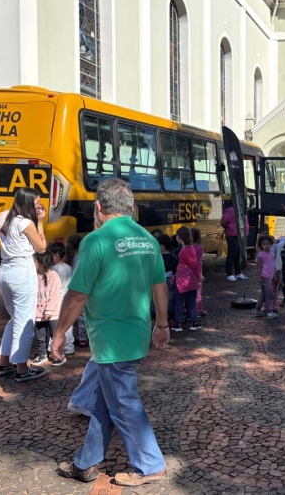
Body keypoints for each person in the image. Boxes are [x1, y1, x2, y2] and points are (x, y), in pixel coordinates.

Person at [52, 178, 170, 487]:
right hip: (135, 334)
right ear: (131, 207)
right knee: (107, 400)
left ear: (98, 207)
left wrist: (59, 333)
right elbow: (160, 285)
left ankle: (150, 465)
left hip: (110, 339)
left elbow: (77, 295)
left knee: (123, 403)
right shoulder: (147, 239)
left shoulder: (95, 241)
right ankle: (85, 463)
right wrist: (162, 324)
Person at [0, 187, 48, 382]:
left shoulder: (3, 216)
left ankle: (4, 363)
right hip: (22, 271)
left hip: (5, 270)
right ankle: (22, 368)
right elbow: (42, 247)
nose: (39, 207)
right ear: (27, 203)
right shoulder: (26, 223)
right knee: (25, 320)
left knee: (15, 318)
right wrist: (40, 222)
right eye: (36, 203)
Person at [32, 251, 65, 366]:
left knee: (55, 335)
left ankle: (60, 356)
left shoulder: (53, 276)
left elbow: (54, 295)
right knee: (41, 336)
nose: (33, 263)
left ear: (42, 262)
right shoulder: (35, 275)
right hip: (39, 312)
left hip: (53, 313)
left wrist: (49, 310)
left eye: (35, 261)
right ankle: (43, 355)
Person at [173, 226, 202, 332]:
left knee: (179, 302)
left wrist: (198, 275)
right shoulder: (192, 248)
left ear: (178, 237)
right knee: (191, 302)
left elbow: (192, 264)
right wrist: (198, 275)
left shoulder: (184, 250)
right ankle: (193, 321)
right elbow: (195, 263)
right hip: (191, 281)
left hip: (182, 282)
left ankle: (178, 323)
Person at [49, 243, 76, 356]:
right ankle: (69, 347)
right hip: (68, 297)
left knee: (56, 325)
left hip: (57, 299)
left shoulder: (53, 270)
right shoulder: (68, 267)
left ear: (56, 256)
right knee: (68, 324)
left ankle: (54, 346)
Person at [67, 234, 88, 347]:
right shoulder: (83, 257)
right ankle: (83, 337)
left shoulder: (69, 258)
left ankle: (77, 336)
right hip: (82, 288)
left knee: (74, 314)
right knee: (81, 316)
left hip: (71, 288)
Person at [221, 200, 249, 282]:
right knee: (232, 254)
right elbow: (223, 222)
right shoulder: (230, 210)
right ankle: (229, 273)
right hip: (232, 235)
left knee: (237, 254)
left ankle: (238, 272)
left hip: (239, 235)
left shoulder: (240, 210)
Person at [254, 235, 278, 318]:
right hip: (264, 277)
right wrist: (259, 276)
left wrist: (274, 275)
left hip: (270, 277)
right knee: (270, 295)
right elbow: (259, 266)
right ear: (261, 245)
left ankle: (257, 310)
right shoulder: (261, 255)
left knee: (263, 295)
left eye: (268, 243)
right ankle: (269, 311)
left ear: (271, 244)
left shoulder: (272, 254)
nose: (266, 245)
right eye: (264, 244)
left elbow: (273, 265)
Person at [156, 235, 177, 325]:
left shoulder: (157, 258)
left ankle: (155, 317)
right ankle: (171, 317)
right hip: (170, 279)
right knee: (171, 298)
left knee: (156, 298)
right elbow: (175, 269)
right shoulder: (173, 257)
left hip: (159, 279)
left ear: (162, 246)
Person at [191, 228, 207, 318]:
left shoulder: (187, 247)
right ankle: (198, 310)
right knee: (198, 292)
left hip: (188, 272)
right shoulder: (200, 247)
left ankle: (189, 310)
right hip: (198, 272)